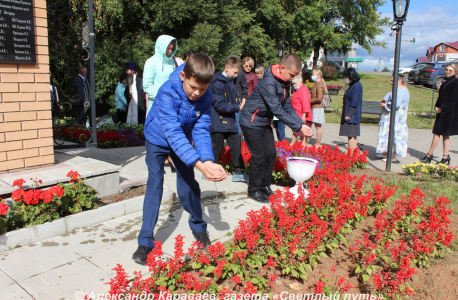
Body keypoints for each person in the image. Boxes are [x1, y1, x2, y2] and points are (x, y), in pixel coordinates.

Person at [132, 54, 226, 265]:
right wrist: (200, 165)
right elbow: (172, 133)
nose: (196, 93)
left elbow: (201, 129)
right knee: (155, 183)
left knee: (189, 185)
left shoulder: (205, 95)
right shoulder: (167, 91)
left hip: (182, 138)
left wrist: (208, 161)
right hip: (158, 137)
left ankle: (199, 228)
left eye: (202, 89)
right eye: (193, 87)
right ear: (183, 75)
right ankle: (145, 241)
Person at [240, 54, 313, 203]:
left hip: (263, 122)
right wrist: (298, 127)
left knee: (271, 153)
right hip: (251, 121)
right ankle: (253, 190)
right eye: (291, 75)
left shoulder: (284, 82)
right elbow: (277, 109)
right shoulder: (269, 82)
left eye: (295, 76)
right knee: (259, 156)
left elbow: (287, 106)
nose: (292, 78)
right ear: (282, 68)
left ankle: (264, 185)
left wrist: (301, 124)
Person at [209, 56, 249, 182]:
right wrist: (238, 107)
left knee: (236, 146)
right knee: (217, 148)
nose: (236, 75)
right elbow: (219, 105)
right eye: (235, 72)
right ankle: (209, 171)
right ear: (227, 68)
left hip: (229, 121)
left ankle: (238, 172)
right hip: (218, 121)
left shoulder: (230, 80)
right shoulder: (217, 83)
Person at [421, 63, 458, 165]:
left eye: (450, 70)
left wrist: (441, 107)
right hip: (442, 111)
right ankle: (445, 157)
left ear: (455, 72)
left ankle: (429, 155)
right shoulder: (446, 81)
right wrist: (437, 106)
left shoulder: (455, 82)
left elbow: (452, 98)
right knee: (444, 134)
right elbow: (441, 96)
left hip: (449, 112)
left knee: (438, 133)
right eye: (446, 69)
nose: (447, 71)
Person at [376, 74, 410, 162]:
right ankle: (386, 152)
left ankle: (392, 156)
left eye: (392, 81)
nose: (391, 82)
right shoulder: (399, 90)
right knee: (389, 136)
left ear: (398, 82)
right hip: (392, 118)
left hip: (396, 119)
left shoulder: (401, 91)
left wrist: (386, 104)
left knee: (393, 136)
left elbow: (396, 104)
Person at [143, 35, 178, 116]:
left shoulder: (172, 62)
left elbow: (174, 82)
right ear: (161, 47)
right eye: (168, 48)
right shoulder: (151, 62)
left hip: (170, 105)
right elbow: (147, 86)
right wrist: (162, 97)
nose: (170, 51)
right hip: (156, 105)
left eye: (172, 49)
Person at [339, 67, 363, 151]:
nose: (345, 79)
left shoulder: (357, 85)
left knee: (351, 136)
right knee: (353, 135)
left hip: (352, 115)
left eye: (346, 77)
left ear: (351, 76)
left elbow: (354, 101)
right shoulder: (353, 85)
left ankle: (350, 155)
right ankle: (353, 155)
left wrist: (349, 114)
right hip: (351, 114)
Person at [290, 75, 312, 146]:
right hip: (297, 114)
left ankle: (292, 145)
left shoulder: (304, 91)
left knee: (299, 133)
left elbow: (305, 104)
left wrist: (304, 116)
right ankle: (300, 146)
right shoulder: (297, 90)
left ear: (300, 82)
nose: (294, 85)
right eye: (293, 84)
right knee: (298, 132)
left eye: (295, 83)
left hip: (302, 115)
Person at [309, 69, 327, 146]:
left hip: (317, 108)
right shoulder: (317, 84)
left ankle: (318, 143)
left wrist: (309, 101)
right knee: (314, 125)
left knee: (318, 127)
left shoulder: (319, 85)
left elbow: (320, 98)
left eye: (314, 74)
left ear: (318, 76)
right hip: (315, 107)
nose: (312, 76)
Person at [235, 60, 248, 136]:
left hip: (239, 101)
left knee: (237, 122)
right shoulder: (229, 74)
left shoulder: (241, 74)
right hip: (230, 101)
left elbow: (244, 89)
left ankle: (238, 143)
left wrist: (243, 103)